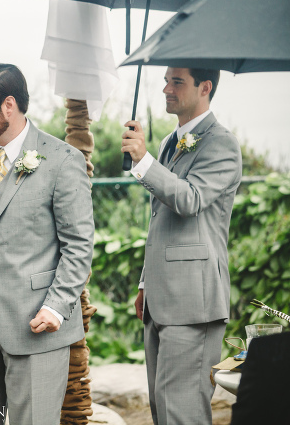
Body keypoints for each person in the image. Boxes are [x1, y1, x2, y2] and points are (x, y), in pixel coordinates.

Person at [0, 63, 94, 424]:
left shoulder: (62, 159)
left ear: (8, 105)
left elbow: (79, 244)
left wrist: (56, 306)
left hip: (38, 322)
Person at [121, 67, 242, 425]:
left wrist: (143, 162)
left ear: (205, 87)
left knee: (183, 412)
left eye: (177, 82)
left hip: (194, 300)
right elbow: (162, 219)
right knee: (163, 410)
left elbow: (190, 200)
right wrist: (146, 282)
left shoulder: (222, 143)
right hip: (161, 296)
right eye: (166, 80)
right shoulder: (169, 142)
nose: (165, 89)